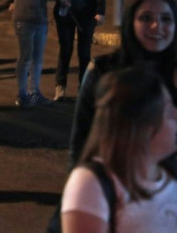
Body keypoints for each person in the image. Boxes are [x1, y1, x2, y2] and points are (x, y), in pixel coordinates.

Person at [69, 0, 177, 167]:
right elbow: (81, 141)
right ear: (130, 22)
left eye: (166, 19)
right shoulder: (103, 70)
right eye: (146, 18)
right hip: (116, 185)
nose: (156, 26)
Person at [60, 67, 177, 232]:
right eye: (169, 111)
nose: (176, 116)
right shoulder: (92, 184)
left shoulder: (169, 177)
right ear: (142, 126)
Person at [50, 0, 105, 101]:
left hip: (86, 12)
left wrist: (100, 11)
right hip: (65, 13)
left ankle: (84, 88)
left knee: (84, 52)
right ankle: (60, 87)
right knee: (65, 49)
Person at [12, 0, 64, 107]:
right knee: (25, 57)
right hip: (24, 17)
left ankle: (35, 91)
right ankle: (21, 93)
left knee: (38, 57)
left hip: (40, 17)